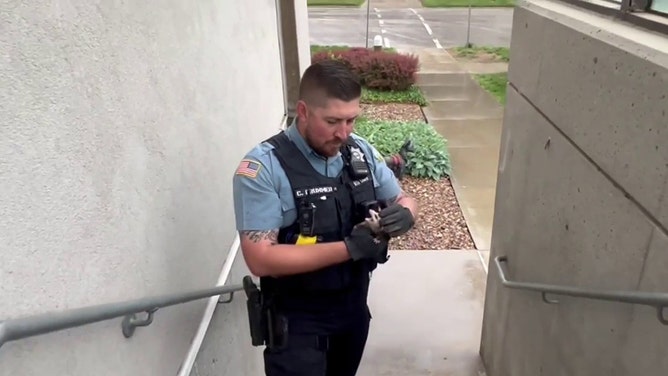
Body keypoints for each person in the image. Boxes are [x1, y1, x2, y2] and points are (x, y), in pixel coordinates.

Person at [232, 59, 419, 376]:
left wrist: (406, 214)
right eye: (332, 121)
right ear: (303, 111)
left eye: (351, 120)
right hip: (298, 325)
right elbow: (260, 259)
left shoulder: (359, 152)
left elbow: (403, 198)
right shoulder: (263, 169)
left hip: (353, 312)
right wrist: (351, 248)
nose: (344, 133)